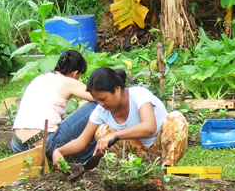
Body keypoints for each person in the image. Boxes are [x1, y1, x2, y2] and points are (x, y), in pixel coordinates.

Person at [51, 67, 188, 168]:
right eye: (96, 100)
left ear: (117, 90)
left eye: (103, 99)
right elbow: (82, 141)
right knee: (102, 132)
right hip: (139, 154)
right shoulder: (101, 111)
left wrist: (115, 135)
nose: (100, 104)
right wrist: (59, 151)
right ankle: (131, 169)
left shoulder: (139, 95)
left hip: (161, 148)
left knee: (176, 119)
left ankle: (166, 170)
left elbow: (149, 127)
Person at [10, 50, 97, 163]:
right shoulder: (67, 81)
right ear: (75, 73)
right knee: (96, 106)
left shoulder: (40, 78)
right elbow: (98, 96)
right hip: (44, 143)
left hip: (17, 145)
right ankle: (83, 161)